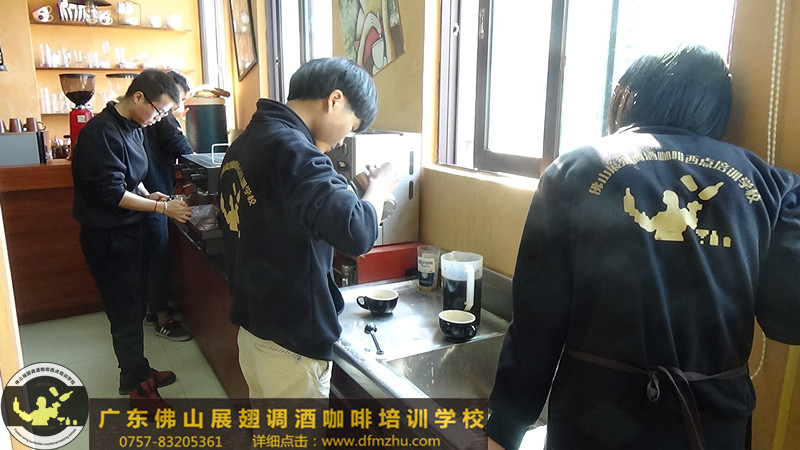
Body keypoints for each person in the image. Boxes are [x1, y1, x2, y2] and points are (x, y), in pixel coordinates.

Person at [486, 45, 800, 449]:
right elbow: (789, 319)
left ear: (628, 97)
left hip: (596, 423)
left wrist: (504, 429)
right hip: (713, 427)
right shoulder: (771, 184)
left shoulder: (574, 170)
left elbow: (536, 325)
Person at [218, 57, 398, 399]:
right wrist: (379, 187)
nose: (345, 139)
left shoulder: (248, 141)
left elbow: (287, 214)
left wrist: (354, 194)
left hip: (254, 331)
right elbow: (357, 233)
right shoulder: (293, 149)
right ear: (335, 100)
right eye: (352, 125)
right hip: (291, 346)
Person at [72, 69, 193, 403]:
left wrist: (148, 193)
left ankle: (135, 369)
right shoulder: (100, 132)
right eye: (159, 111)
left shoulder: (134, 127)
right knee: (124, 312)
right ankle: (136, 386)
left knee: (135, 306)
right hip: (108, 237)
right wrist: (160, 208)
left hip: (129, 232)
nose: (159, 119)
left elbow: (131, 178)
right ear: (138, 97)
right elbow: (112, 191)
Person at [141, 70, 195, 342]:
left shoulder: (150, 116)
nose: (176, 106)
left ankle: (154, 308)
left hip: (147, 192)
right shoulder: (163, 116)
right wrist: (200, 162)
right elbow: (181, 148)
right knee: (158, 254)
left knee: (151, 255)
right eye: (177, 100)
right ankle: (162, 317)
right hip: (154, 195)